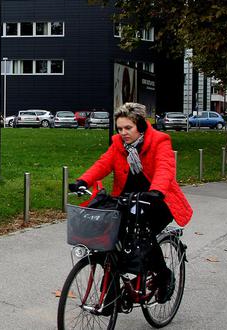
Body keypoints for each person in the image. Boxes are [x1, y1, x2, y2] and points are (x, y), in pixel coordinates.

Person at [69, 102, 193, 304]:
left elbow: (165, 168)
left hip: (157, 201)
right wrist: (83, 181)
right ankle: (112, 291)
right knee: (112, 239)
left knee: (143, 236)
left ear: (141, 126)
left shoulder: (160, 141)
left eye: (128, 128)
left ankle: (164, 276)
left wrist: (156, 191)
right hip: (128, 199)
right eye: (120, 128)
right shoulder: (118, 144)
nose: (123, 133)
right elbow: (103, 164)